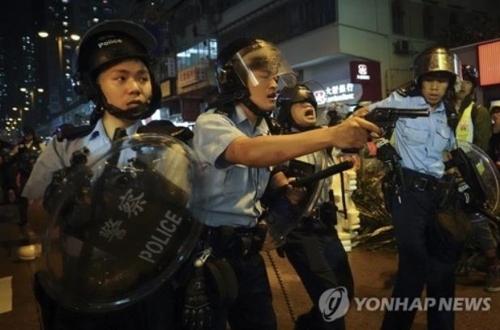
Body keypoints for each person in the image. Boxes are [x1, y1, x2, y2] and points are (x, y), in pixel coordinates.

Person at [191, 38, 380, 330]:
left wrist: (282, 184)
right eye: (263, 76)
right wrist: (331, 134)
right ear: (234, 80)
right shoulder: (211, 122)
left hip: (248, 250)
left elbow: (267, 164)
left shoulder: (265, 127)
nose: (274, 85)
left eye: (275, 77)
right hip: (210, 252)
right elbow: (247, 152)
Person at [20, 19, 187, 330]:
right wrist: (61, 201)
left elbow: (178, 221)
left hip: (151, 284)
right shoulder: (66, 146)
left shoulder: (172, 144)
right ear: (92, 87)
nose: (135, 87)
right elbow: (36, 221)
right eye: (120, 78)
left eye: (142, 77)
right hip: (81, 284)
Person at [357, 46, 463, 330]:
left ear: (450, 84)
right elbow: (362, 119)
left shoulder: (448, 112)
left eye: (442, 81)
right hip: (407, 194)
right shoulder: (402, 102)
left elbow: (450, 152)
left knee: (443, 269)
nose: (435, 87)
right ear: (419, 79)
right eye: (430, 79)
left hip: (438, 196)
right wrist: (381, 146)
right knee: (413, 267)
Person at [274, 83, 354, 330]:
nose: (309, 106)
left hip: (324, 227)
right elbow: (272, 170)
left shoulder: (325, 137)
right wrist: (284, 186)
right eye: (300, 104)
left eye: (311, 103)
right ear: (286, 110)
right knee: (331, 296)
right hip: (298, 230)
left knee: (346, 291)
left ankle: (307, 326)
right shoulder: (279, 141)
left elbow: (353, 135)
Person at [454, 64, 499, 293]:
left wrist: (467, 172)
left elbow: (481, 148)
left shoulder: (477, 112)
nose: (461, 86)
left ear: (472, 86)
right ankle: (461, 261)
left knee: (477, 217)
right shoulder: (445, 110)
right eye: (458, 81)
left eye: (466, 82)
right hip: (446, 174)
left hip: (471, 175)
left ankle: (493, 266)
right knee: (452, 218)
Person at [5, 127, 44, 259]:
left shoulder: (40, 145)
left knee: (38, 199)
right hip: (24, 176)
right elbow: (10, 158)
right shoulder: (20, 146)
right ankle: (25, 221)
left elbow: (45, 158)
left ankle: (38, 220)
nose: (27, 136)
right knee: (23, 198)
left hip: (37, 175)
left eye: (29, 133)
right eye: (25, 133)